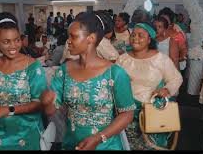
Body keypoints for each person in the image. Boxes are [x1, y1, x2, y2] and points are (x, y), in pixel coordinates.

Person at [40, 11, 136, 150]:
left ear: (90, 38)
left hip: (105, 145)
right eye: (68, 36)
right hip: (72, 144)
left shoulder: (115, 73)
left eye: (73, 36)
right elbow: (51, 111)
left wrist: (98, 138)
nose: (68, 41)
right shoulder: (64, 70)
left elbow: (127, 114)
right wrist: (47, 102)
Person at [0, 12, 48, 150]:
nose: (13, 46)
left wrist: (7, 110)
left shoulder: (32, 66)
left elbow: (39, 104)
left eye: (17, 40)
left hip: (26, 132)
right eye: (6, 42)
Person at [116, 23, 183, 150]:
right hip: (126, 113)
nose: (135, 38)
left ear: (149, 40)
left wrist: (166, 89)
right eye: (133, 35)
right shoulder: (122, 59)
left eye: (140, 35)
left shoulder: (160, 59)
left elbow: (176, 78)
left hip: (151, 112)